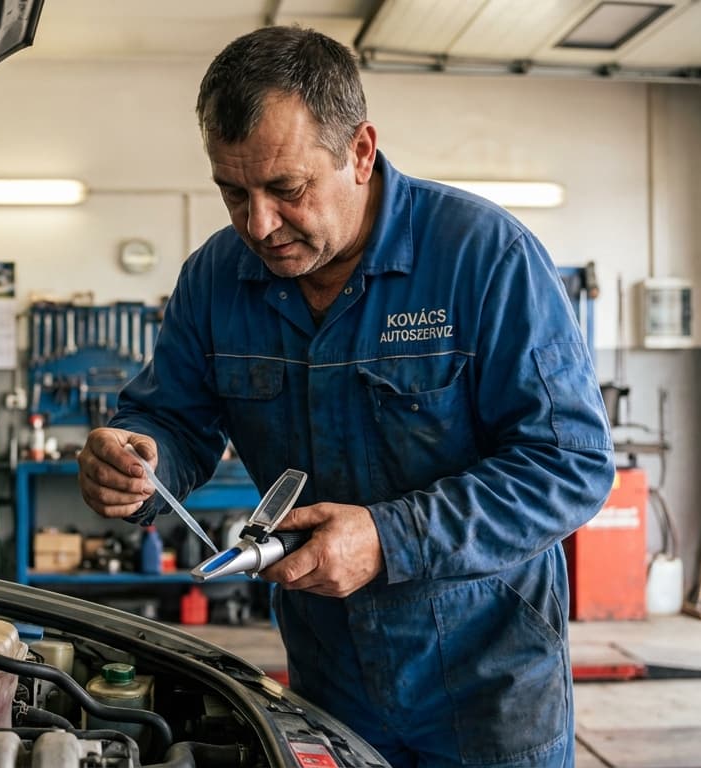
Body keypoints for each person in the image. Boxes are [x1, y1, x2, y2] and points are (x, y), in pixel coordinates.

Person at [77, 25, 614, 768]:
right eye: (233, 192)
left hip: (490, 682)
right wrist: (140, 462)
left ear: (360, 152)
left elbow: (570, 465)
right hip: (331, 674)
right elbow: (170, 418)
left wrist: (390, 538)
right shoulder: (215, 279)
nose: (258, 224)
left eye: (286, 189)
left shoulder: (484, 258)